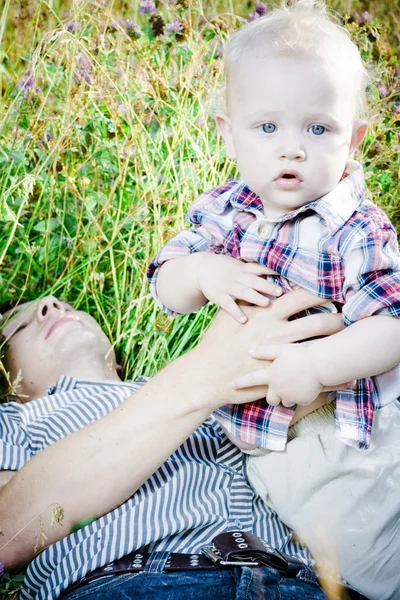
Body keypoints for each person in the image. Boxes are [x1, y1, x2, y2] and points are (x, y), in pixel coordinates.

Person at [146, 0, 400, 595]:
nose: (292, 149)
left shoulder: (357, 228)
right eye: (268, 127)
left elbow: (392, 323)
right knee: (325, 550)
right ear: (228, 134)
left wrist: (316, 364)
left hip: (353, 430)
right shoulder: (225, 212)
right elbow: (165, 283)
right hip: (269, 440)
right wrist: (204, 271)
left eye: (318, 128)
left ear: (353, 139)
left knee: (373, 561)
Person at [0, 292, 369, 600]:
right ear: (9, 384)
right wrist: (204, 374)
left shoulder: (216, 387)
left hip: (310, 585)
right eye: (20, 324)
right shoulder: (13, 420)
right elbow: (6, 533)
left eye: (65, 303)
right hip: (132, 585)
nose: (50, 304)